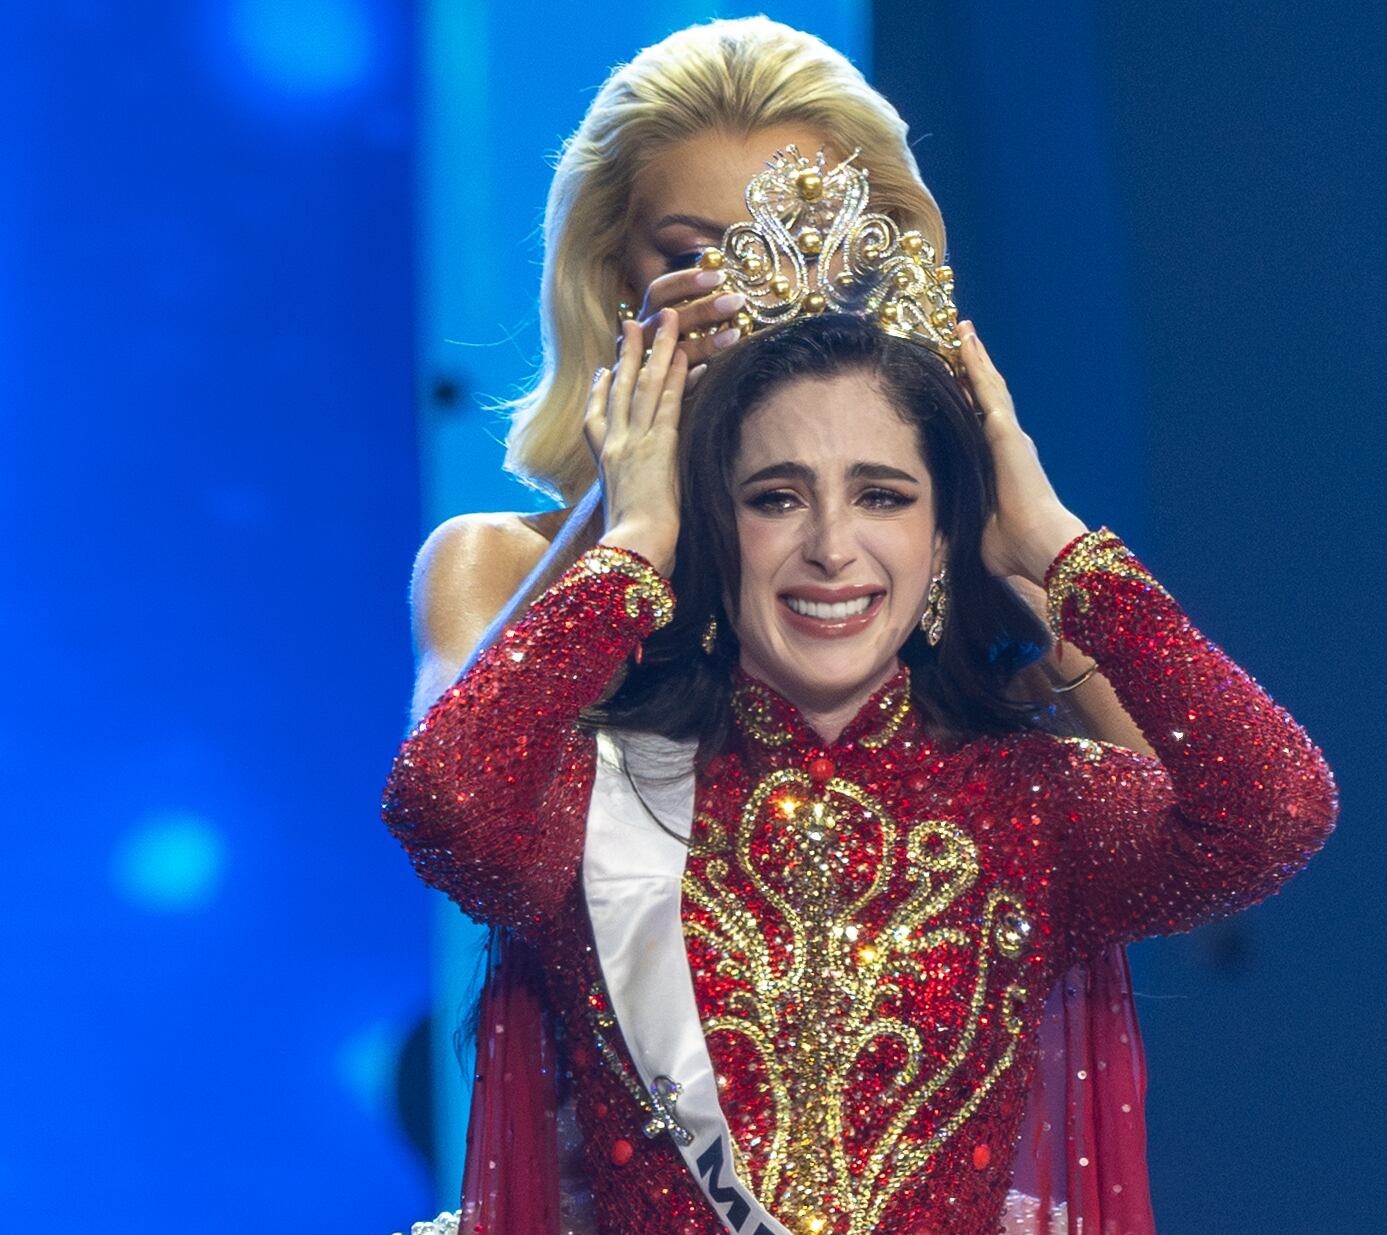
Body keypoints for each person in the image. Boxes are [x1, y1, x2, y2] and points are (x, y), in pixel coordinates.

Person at [365, 193, 1341, 1235]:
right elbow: (447, 799)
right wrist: (634, 537)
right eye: (776, 497)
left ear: (947, 536)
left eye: (882, 495)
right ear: (713, 531)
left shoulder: (1033, 805)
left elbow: (1276, 807)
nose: (832, 547)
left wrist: (1058, 546)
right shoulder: (601, 798)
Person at [412, 16, 1151, 758]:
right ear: (616, 284)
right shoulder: (496, 562)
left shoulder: (962, 564)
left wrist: (1027, 540)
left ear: (881, 266)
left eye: (804, 244)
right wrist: (626, 523)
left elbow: (1195, 796)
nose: (754, 303)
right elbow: (450, 790)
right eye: (699, 259)